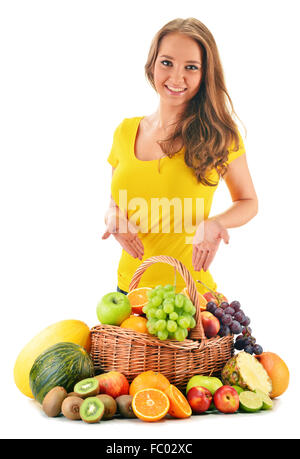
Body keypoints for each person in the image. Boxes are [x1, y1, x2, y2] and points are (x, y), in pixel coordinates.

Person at [102, 18, 258, 296]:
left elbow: (248, 201)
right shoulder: (125, 132)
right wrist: (113, 217)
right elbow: (117, 200)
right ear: (152, 64)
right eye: (166, 63)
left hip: (191, 300)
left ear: (205, 74)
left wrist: (216, 223)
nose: (176, 77)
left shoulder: (219, 135)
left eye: (191, 67)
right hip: (129, 294)